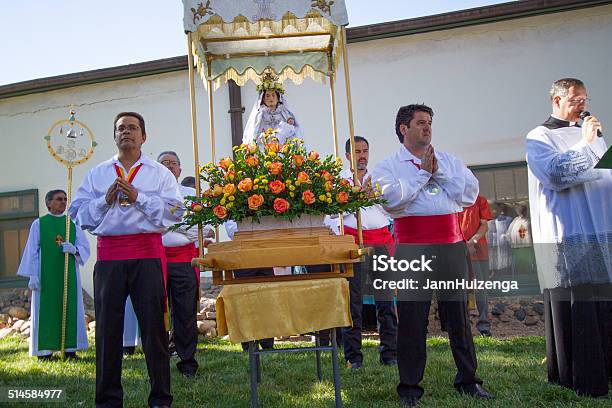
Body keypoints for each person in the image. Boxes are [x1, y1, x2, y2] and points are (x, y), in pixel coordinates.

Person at [372, 104, 492, 407]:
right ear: (404, 129)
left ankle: (468, 380)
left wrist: (437, 173)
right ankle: (410, 388)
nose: (427, 128)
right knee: (413, 318)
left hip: (451, 243)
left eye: (429, 123)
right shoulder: (388, 166)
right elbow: (391, 200)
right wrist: (422, 176)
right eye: (420, 123)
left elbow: (467, 195)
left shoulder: (450, 160)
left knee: (459, 317)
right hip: (413, 246)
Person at [69, 112, 182, 408]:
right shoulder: (98, 174)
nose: (126, 132)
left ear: (144, 136)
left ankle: (160, 398)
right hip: (110, 257)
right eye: (121, 128)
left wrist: (139, 196)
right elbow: (78, 215)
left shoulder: (159, 173)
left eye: (133, 128)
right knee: (107, 331)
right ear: (114, 136)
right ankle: (107, 400)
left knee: (154, 331)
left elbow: (176, 213)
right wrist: (104, 200)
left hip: (147, 254)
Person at [526, 78, 612, 397]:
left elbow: (604, 176)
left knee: (603, 301)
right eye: (576, 99)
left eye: (585, 99)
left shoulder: (591, 135)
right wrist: (586, 145)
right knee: (579, 304)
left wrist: (593, 144)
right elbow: (556, 175)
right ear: (557, 101)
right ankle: (580, 376)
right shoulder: (539, 136)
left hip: (600, 230)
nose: (582, 105)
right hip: (567, 231)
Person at [327, 136, 397, 369]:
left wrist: (373, 196)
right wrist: (355, 197)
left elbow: (393, 208)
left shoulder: (379, 178)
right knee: (353, 301)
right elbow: (330, 216)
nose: (362, 155)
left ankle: (390, 353)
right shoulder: (338, 183)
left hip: (380, 240)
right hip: (352, 242)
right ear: (347, 155)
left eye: (365, 150)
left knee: (386, 300)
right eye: (357, 151)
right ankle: (353, 357)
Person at [158, 150, 214, 377]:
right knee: (155, 311)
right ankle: (159, 358)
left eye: (174, 163)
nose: (170, 166)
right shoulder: (150, 194)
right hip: (156, 259)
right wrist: (183, 226)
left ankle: (187, 361)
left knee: (185, 312)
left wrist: (177, 227)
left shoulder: (192, 194)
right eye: (164, 163)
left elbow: (205, 227)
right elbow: (154, 224)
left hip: (184, 260)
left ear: (180, 170)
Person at [17, 189, 90, 359]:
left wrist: (74, 249)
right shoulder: (39, 224)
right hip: (46, 275)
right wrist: (33, 276)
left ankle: (70, 349)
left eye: (65, 199)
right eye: (59, 199)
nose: (63, 202)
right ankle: (45, 351)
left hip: (68, 274)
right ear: (48, 202)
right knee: (46, 309)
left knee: (70, 306)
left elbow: (84, 247)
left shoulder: (72, 223)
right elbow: (32, 251)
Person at [458, 195, 493, 336]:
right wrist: (463, 245)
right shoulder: (453, 201)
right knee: (461, 289)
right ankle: (463, 327)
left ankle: (484, 326)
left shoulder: (480, 200)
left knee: (481, 289)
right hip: (459, 251)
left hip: (479, 252)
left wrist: (472, 242)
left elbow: (484, 225)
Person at [243, 70, 302, 147]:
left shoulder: (285, 114)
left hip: (282, 151)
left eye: (273, 95)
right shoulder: (259, 116)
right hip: (264, 150)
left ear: (278, 98)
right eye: (267, 96)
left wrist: (287, 128)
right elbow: (253, 137)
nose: (271, 98)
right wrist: (268, 137)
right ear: (263, 99)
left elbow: (295, 134)